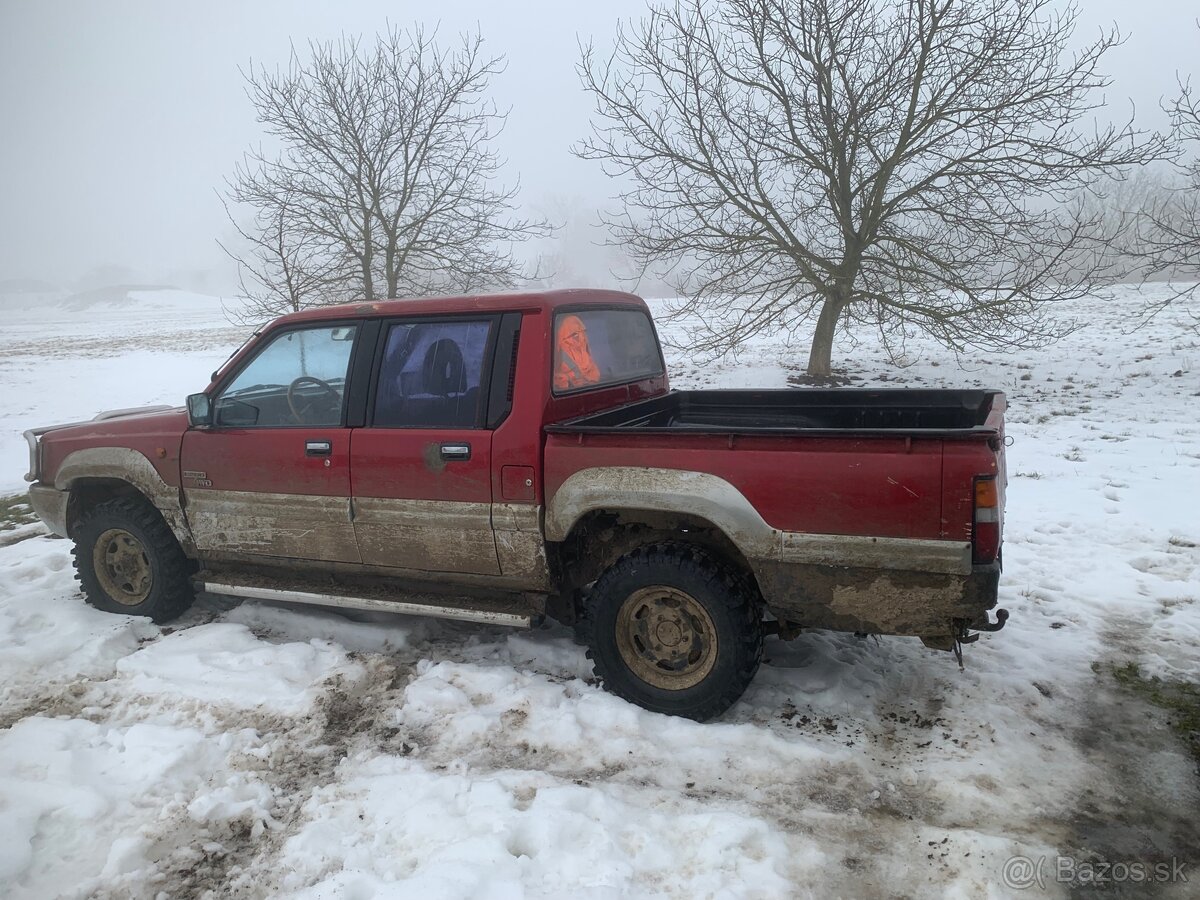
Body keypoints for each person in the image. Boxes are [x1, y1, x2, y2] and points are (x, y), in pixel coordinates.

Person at [553, 314, 601, 391]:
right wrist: (570, 379)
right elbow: (556, 378)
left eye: (581, 332)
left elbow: (595, 373)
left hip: (591, 390)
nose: (580, 336)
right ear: (565, 333)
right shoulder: (560, 352)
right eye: (574, 333)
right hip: (568, 393)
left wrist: (587, 380)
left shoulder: (583, 348)